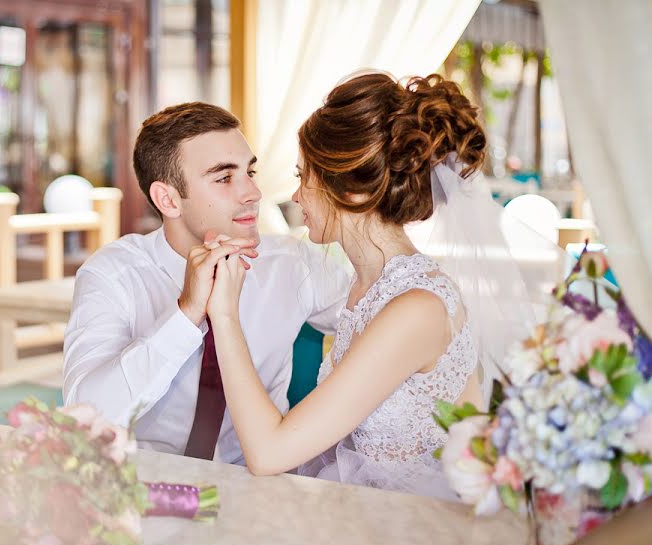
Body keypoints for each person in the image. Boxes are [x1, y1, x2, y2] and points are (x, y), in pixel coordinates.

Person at [205, 73, 492, 499]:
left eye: (304, 177)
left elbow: (267, 454)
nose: (296, 196)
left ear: (352, 193)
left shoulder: (417, 307)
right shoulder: (368, 285)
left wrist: (223, 314)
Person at [63, 102, 351, 465]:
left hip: (265, 487)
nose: (253, 193)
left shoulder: (293, 264)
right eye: (224, 178)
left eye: (251, 172)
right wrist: (186, 315)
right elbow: (85, 414)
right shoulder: (113, 275)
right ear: (168, 199)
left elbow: (385, 323)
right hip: (151, 489)